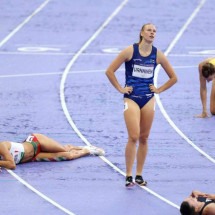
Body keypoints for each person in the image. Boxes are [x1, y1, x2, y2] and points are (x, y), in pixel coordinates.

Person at [105, 23, 177, 187]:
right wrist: (120, 88)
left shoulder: (157, 54)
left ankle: (139, 175)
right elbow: (109, 71)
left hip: (148, 98)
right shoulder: (130, 51)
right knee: (134, 136)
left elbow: (174, 77)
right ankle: (128, 174)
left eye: (155, 31)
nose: (152, 33)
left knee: (144, 138)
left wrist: (159, 89)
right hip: (131, 98)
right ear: (142, 33)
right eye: (149, 30)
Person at [0, 133, 105, 170]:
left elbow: (11, 165)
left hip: (37, 141)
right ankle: (87, 150)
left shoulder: (1, 146)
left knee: (64, 149)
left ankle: (74, 146)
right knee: (68, 156)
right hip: (33, 157)